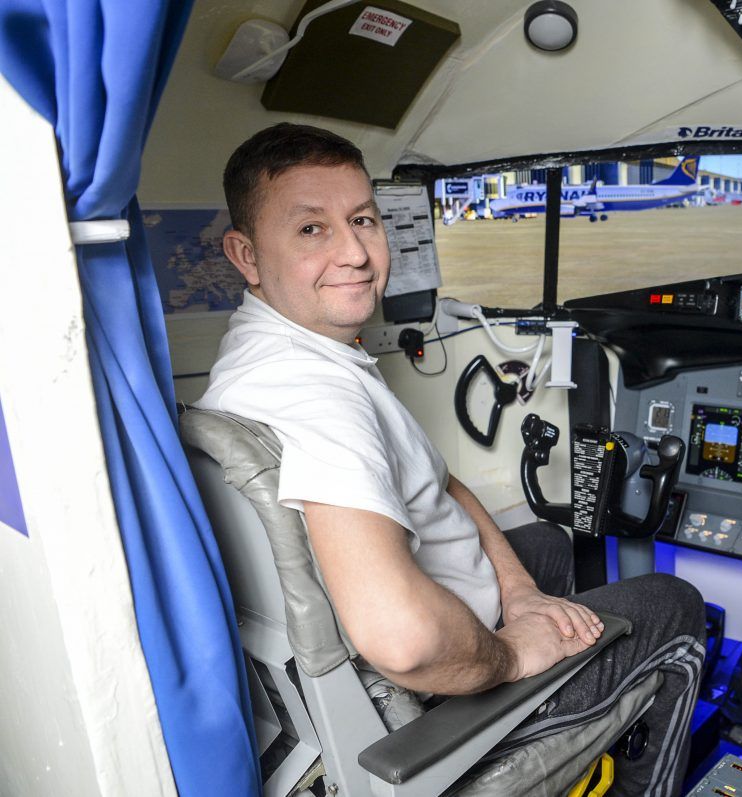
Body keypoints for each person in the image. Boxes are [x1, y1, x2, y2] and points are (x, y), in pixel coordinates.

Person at [195, 122, 706, 796]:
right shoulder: (317, 397)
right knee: (673, 602)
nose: (354, 252)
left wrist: (522, 594)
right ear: (247, 253)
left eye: (362, 219)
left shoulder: (279, 352)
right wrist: (518, 651)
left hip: (413, 635)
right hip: (437, 703)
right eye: (311, 229)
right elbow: (404, 640)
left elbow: (440, 482)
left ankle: (582, 711)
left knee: (544, 545)